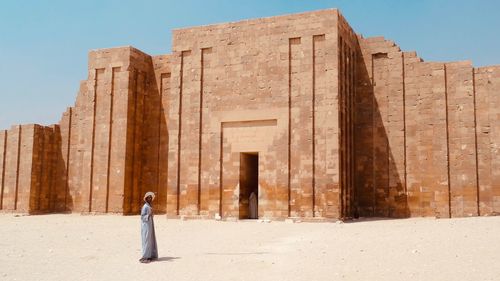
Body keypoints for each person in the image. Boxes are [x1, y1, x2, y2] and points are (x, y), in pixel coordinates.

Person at [139, 191, 158, 263]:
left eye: (151, 198)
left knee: (150, 239)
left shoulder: (149, 206)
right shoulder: (145, 206)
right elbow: (142, 217)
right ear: (146, 199)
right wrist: (149, 215)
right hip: (146, 226)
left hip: (150, 225)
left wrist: (151, 214)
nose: (150, 199)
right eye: (148, 198)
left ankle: (150, 255)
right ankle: (145, 256)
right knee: (146, 239)